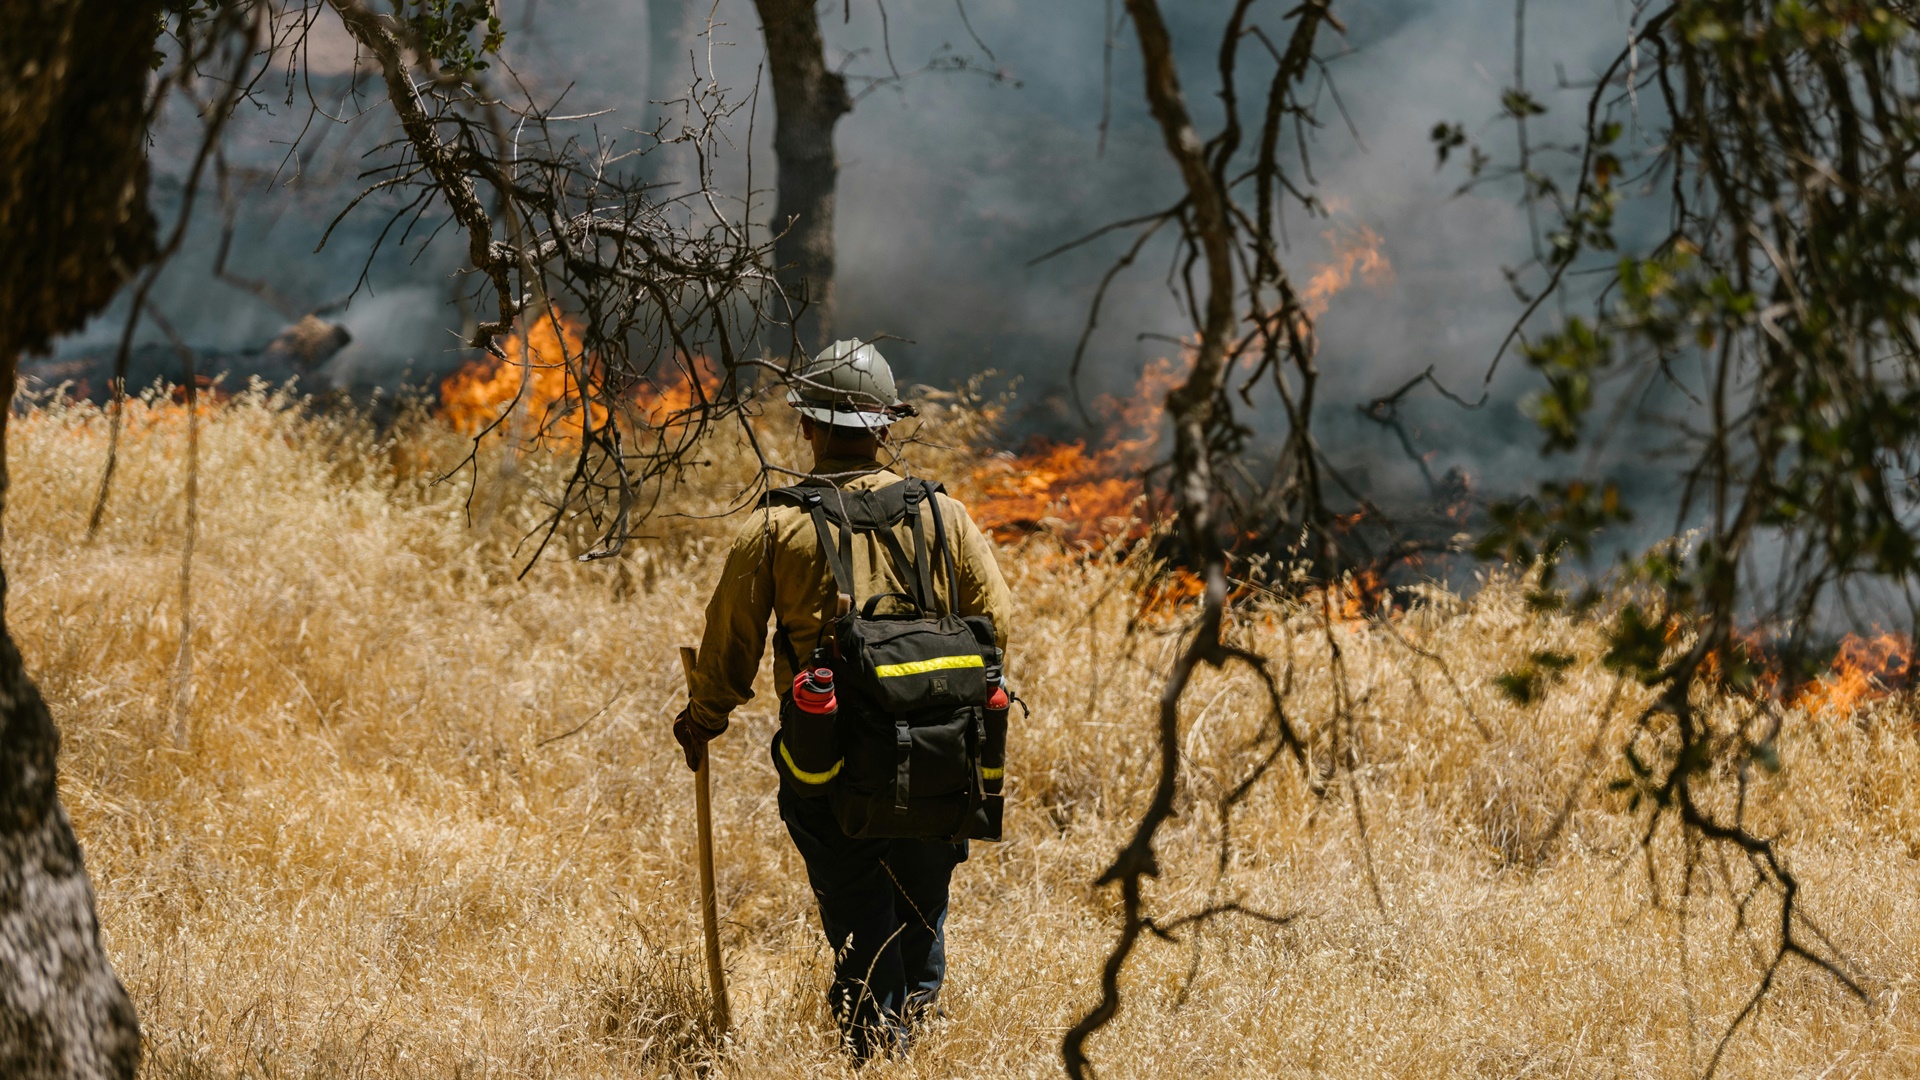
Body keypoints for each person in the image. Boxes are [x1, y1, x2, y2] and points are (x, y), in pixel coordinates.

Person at [672, 339, 1014, 1059]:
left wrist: (702, 718)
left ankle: (877, 1054)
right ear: (886, 427)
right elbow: (998, 625)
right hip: (942, 759)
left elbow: (730, 650)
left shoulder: (775, 528)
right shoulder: (944, 517)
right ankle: (912, 1047)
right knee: (921, 918)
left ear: (806, 426)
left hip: (830, 766)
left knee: (861, 919)